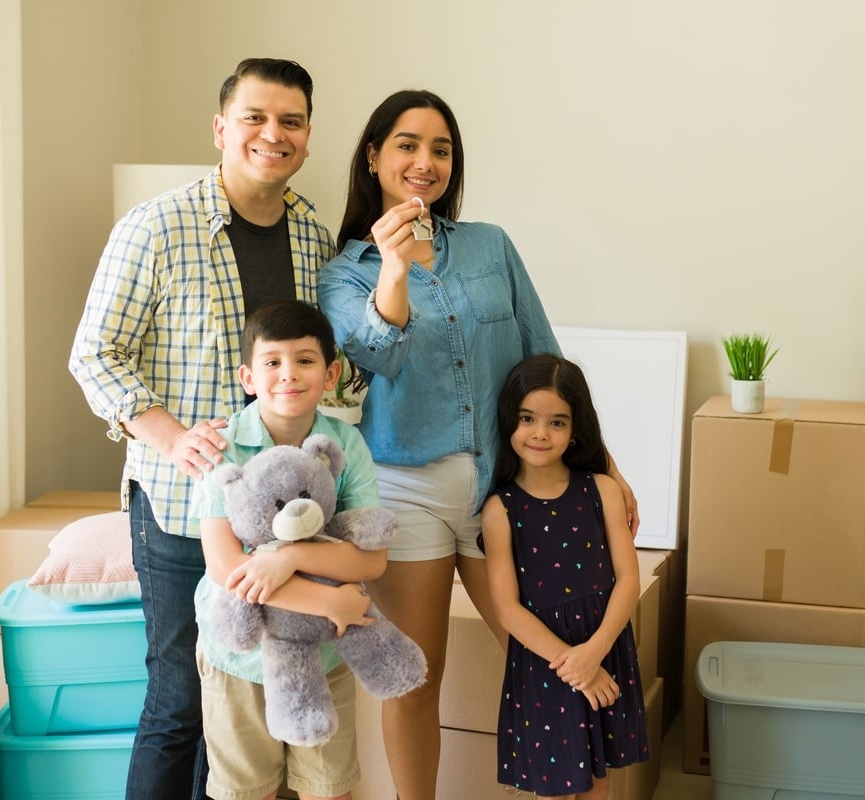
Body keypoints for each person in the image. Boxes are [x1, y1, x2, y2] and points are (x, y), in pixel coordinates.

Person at [316, 89, 639, 800]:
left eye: (441, 149)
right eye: (407, 144)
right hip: (407, 490)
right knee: (414, 678)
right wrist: (395, 267)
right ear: (373, 157)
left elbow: (545, 355)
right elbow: (378, 355)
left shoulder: (491, 246)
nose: (425, 162)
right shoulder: (345, 271)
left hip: (507, 486)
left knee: (558, 658)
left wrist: (606, 469)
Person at [68, 58, 334, 800]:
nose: (271, 134)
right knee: (182, 698)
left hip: (277, 519)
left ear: (307, 138)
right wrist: (170, 435)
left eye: (290, 121)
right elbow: (93, 354)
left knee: (246, 704)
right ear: (221, 129)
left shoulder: (313, 237)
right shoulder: (155, 226)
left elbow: (325, 367)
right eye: (254, 117)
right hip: (182, 507)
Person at [194, 300, 381, 800]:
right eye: (272, 362)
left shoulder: (345, 444)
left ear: (330, 372)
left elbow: (372, 557)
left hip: (324, 653)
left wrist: (290, 557)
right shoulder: (224, 446)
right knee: (244, 790)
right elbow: (227, 566)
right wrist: (327, 600)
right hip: (239, 656)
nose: (288, 375)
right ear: (248, 377)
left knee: (330, 787)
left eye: (304, 360)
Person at [481, 353, 649, 799]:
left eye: (557, 422)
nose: (540, 433)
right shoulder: (499, 510)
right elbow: (507, 608)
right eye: (527, 418)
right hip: (544, 665)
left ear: (576, 430)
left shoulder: (603, 490)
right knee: (554, 787)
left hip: (604, 645)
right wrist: (575, 666)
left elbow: (628, 581)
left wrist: (594, 653)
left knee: (597, 778)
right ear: (508, 421)